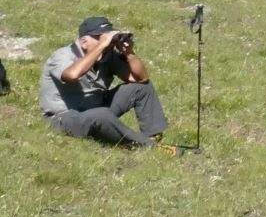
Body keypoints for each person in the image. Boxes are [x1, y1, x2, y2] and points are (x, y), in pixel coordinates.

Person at [39, 16, 169, 147]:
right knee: (101, 114)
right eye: (99, 38)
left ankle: (153, 137)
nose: (107, 43)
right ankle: (146, 146)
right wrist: (101, 46)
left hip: (97, 108)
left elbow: (141, 78)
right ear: (84, 42)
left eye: (108, 38)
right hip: (64, 118)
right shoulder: (63, 55)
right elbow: (72, 75)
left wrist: (129, 53)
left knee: (141, 88)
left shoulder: (107, 56)